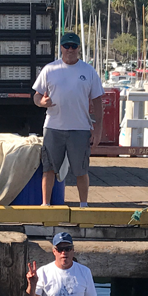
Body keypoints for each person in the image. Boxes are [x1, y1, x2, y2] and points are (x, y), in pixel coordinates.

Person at [32, 31, 105, 208]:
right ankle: (45, 204)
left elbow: (97, 102)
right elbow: (36, 95)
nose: (70, 50)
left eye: (74, 46)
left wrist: (97, 130)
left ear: (79, 48)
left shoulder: (88, 71)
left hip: (80, 128)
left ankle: (83, 204)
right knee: (48, 167)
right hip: (53, 127)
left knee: (81, 169)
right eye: (67, 46)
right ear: (61, 48)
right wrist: (42, 102)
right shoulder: (50, 69)